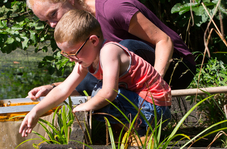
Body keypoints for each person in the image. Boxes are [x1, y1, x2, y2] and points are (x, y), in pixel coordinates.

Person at [26, 0, 196, 100]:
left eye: (53, 14)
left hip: (177, 68)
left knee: (118, 49)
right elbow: (84, 72)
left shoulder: (113, 9)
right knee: (95, 63)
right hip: (133, 73)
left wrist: (157, 83)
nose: (52, 24)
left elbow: (163, 41)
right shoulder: (81, 27)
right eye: (46, 21)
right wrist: (52, 88)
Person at [19, 9, 171, 137]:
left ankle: (141, 131)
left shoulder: (109, 51)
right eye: (66, 55)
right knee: (96, 98)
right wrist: (36, 112)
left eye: (74, 53)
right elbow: (63, 89)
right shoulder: (85, 61)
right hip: (138, 103)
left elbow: (109, 93)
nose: (72, 59)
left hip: (155, 107)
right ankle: (136, 132)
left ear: (93, 41)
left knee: (98, 92)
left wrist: (85, 106)